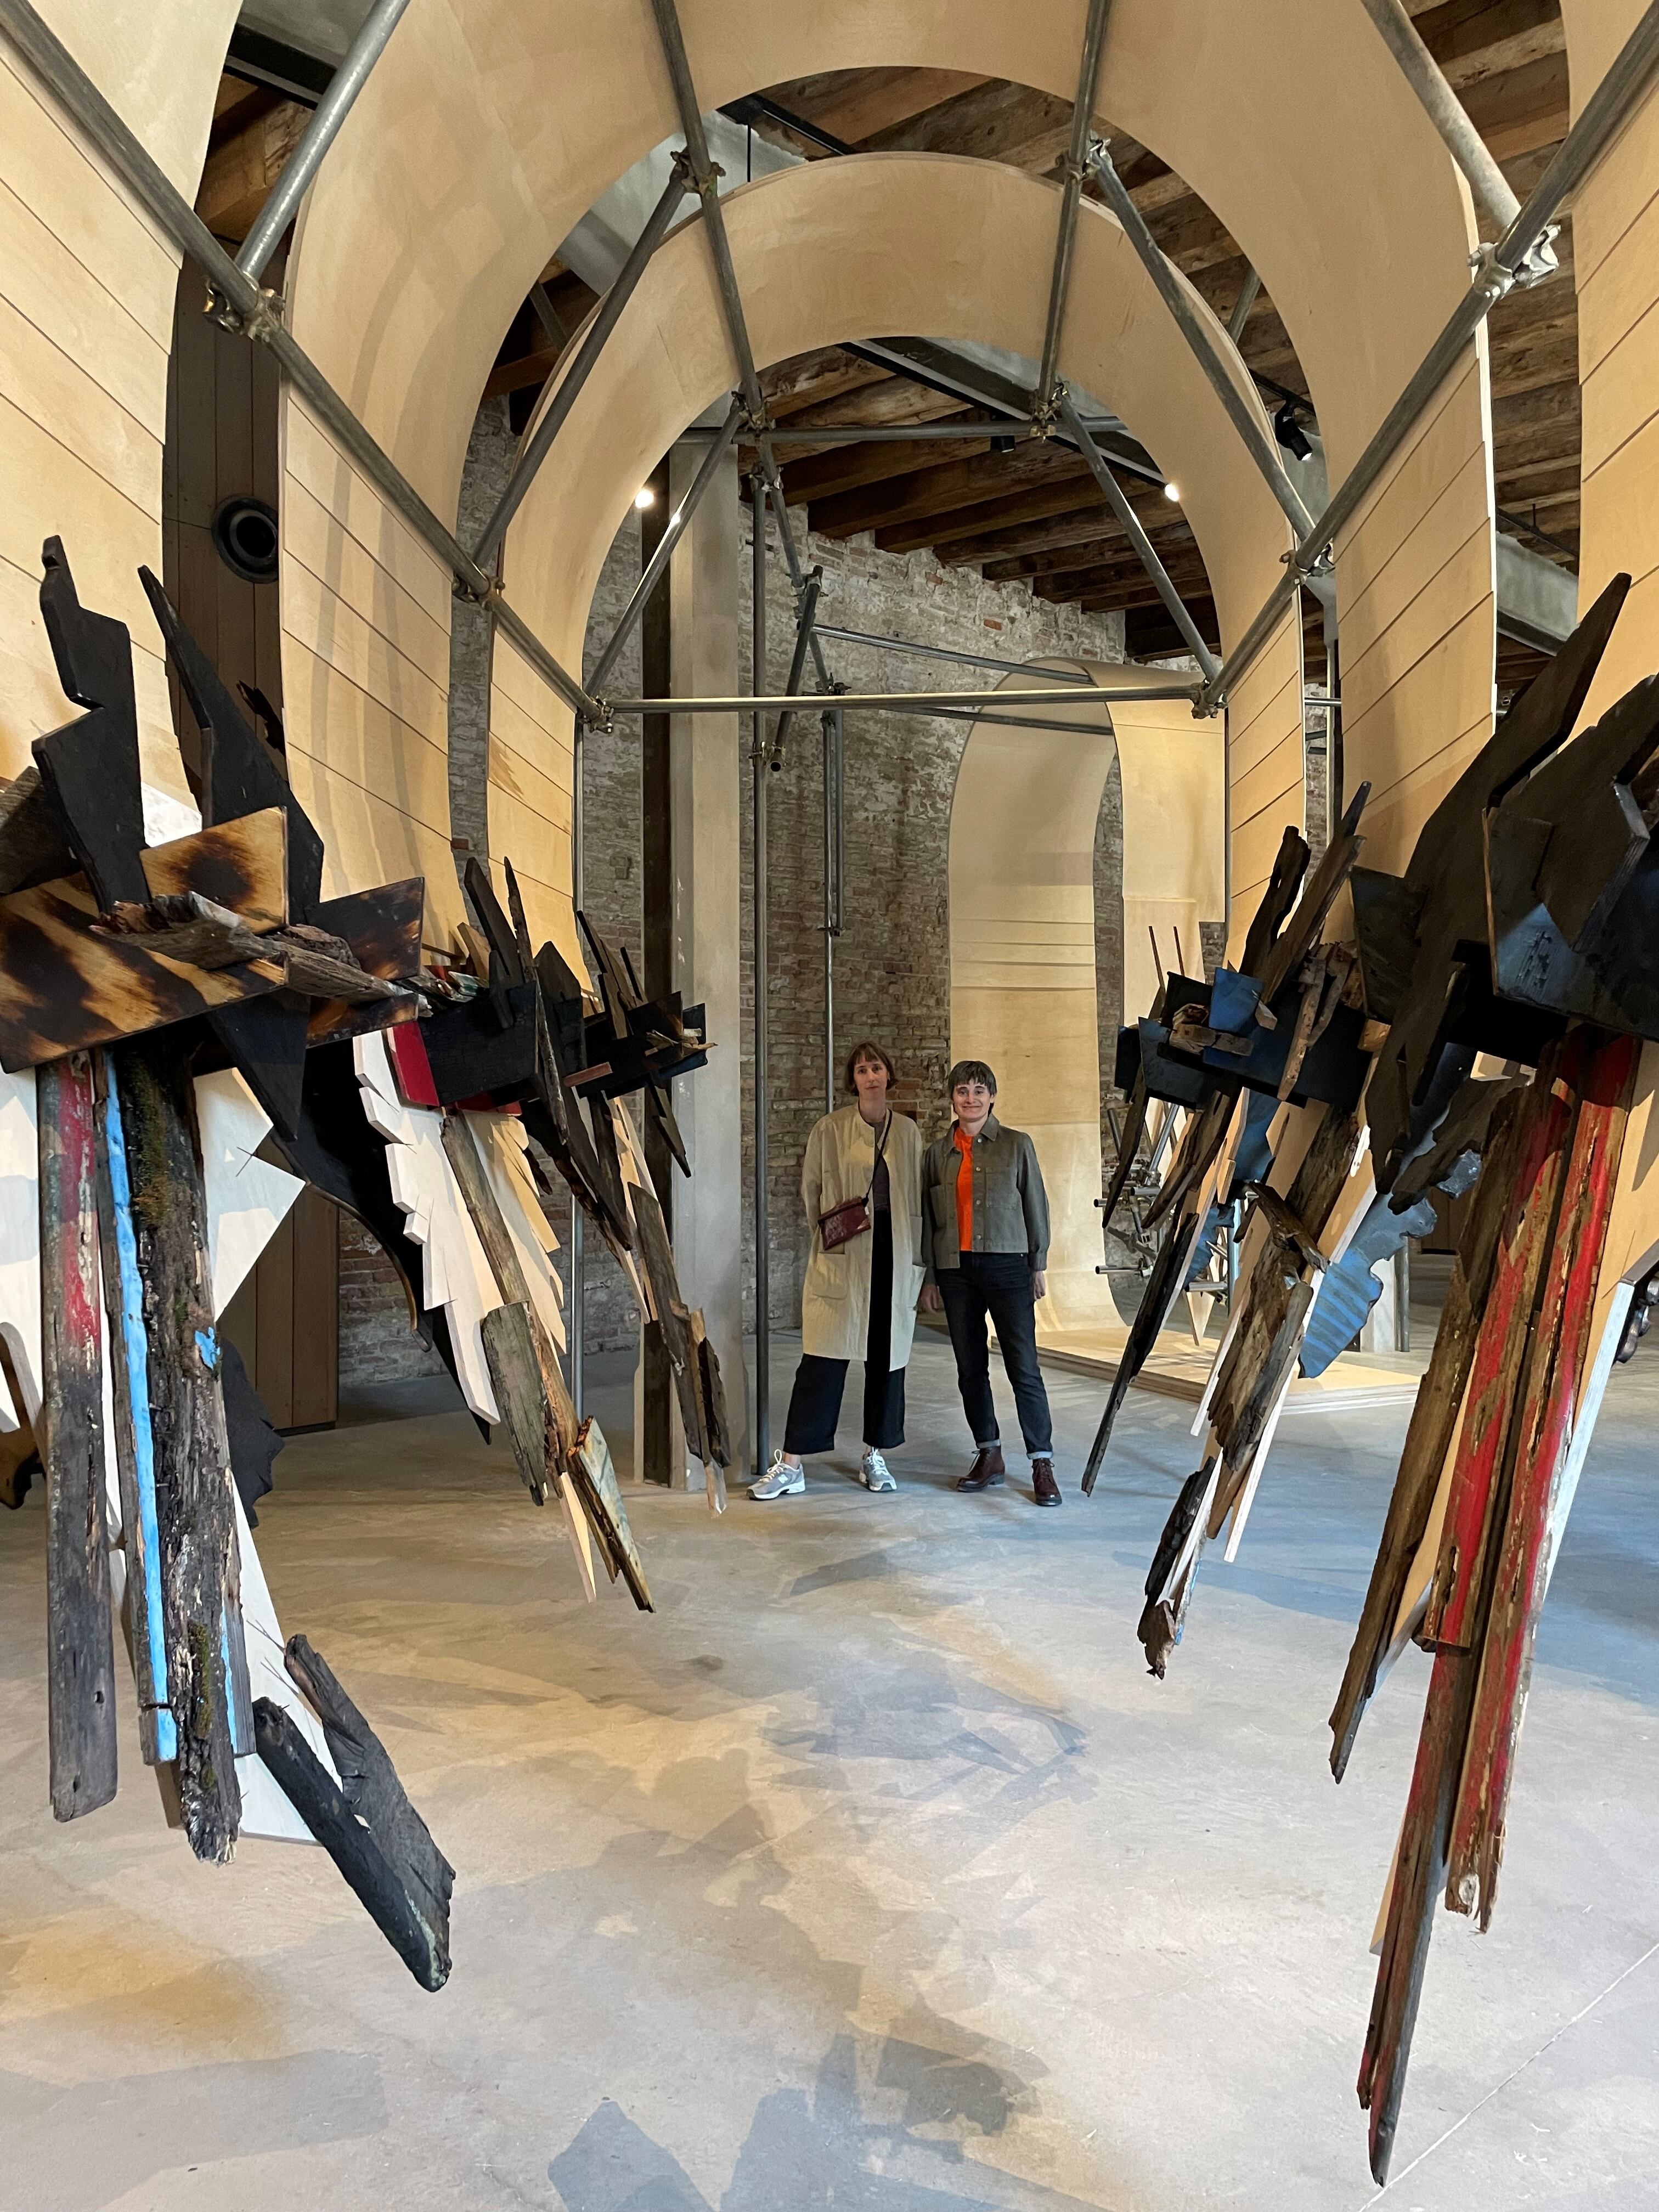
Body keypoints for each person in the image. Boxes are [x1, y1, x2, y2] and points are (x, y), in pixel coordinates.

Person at [751, 1041, 926, 1500]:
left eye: (877, 1067)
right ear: (854, 1080)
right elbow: (812, 1192)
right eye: (862, 1069)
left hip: (894, 1254)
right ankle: (792, 1463)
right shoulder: (829, 1129)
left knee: (886, 1362)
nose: (870, 1076)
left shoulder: (907, 1131)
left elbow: (919, 1196)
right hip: (845, 1256)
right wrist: (829, 1239)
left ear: (889, 1076)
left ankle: (875, 1454)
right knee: (822, 1361)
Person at [918, 1060, 1060, 1507]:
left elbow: (1036, 1205)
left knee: (1023, 1367)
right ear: (953, 1099)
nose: (971, 1098)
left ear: (993, 1096)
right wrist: (930, 1275)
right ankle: (989, 1454)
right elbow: (928, 1218)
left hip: (1008, 1268)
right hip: (956, 1272)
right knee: (969, 1369)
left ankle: (1041, 1462)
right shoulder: (936, 1154)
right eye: (963, 1090)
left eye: (980, 1090)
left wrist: (1037, 1263)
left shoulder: (1017, 1145)